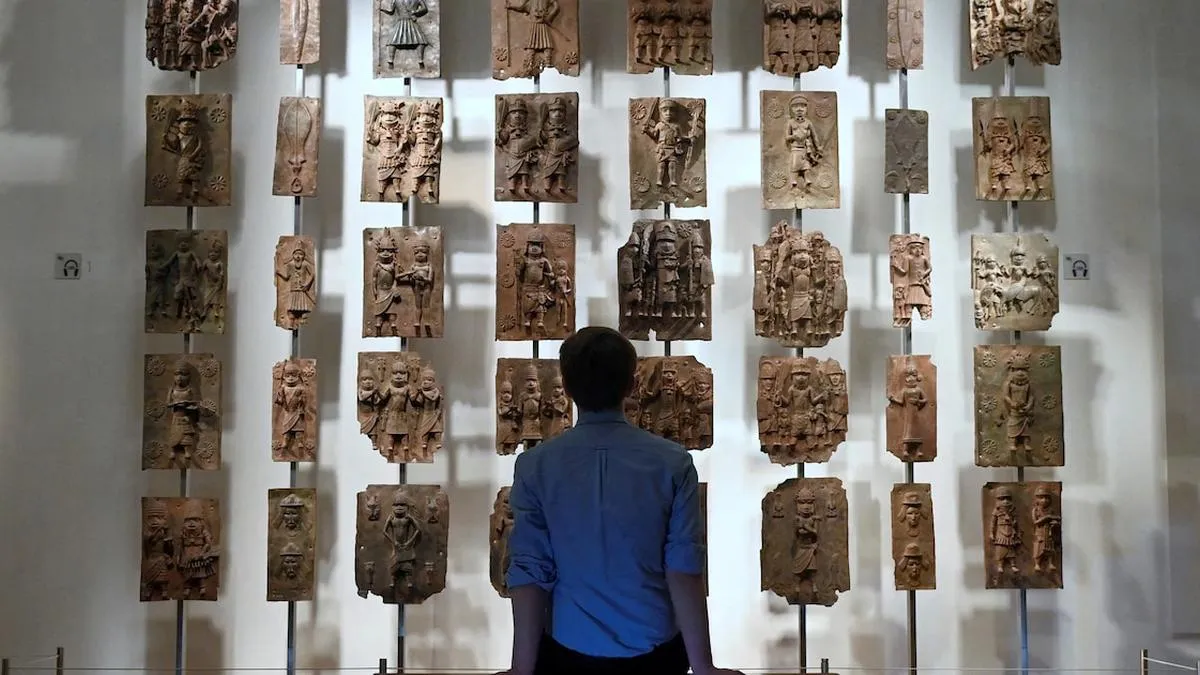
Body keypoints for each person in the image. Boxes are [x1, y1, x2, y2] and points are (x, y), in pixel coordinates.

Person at [499, 326, 743, 675]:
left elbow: (530, 569)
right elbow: (683, 567)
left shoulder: (536, 465)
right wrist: (704, 666)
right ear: (632, 386)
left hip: (569, 647)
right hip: (655, 647)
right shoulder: (672, 462)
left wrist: (521, 668)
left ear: (565, 387)